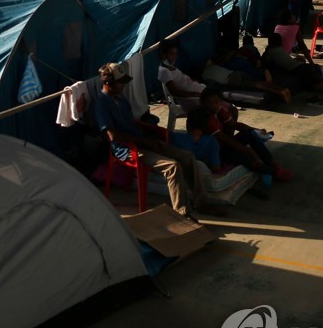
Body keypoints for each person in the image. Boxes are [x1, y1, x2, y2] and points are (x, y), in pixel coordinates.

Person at [93, 62, 224, 218]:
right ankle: (182, 212)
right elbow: (113, 136)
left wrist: (150, 132)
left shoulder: (121, 99)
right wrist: (142, 141)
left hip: (141, 140)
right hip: (127, 149)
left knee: (187, 157)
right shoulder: (101, 103)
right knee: (172, 167)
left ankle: (202, 203)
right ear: (108, 83)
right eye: (120, 83)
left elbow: (132, 123)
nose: (123, 86)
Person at [199, 88, 293, 197]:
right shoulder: (206, 118)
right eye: (209, 103)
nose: (213, 105)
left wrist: (255, 130)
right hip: (215, 152)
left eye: (216, 102)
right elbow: (226, 140)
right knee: (246, 157)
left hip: (223, 145)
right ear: (203, 104)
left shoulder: (219, 110)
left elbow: (234, 124)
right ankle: (272, 172)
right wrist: (249, 151)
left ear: (220, 102)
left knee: (250, 133)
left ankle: (271, 163)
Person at [157, 39, 205, 111]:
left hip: (200, 93)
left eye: (176, 54)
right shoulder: (164, 71)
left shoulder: (171, 68)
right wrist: (195, 94)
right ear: (163, 55)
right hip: (196, 100)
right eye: (171, 54)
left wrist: (194, 82)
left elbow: (182, 80)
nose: (174, 57)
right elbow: (174, 92)